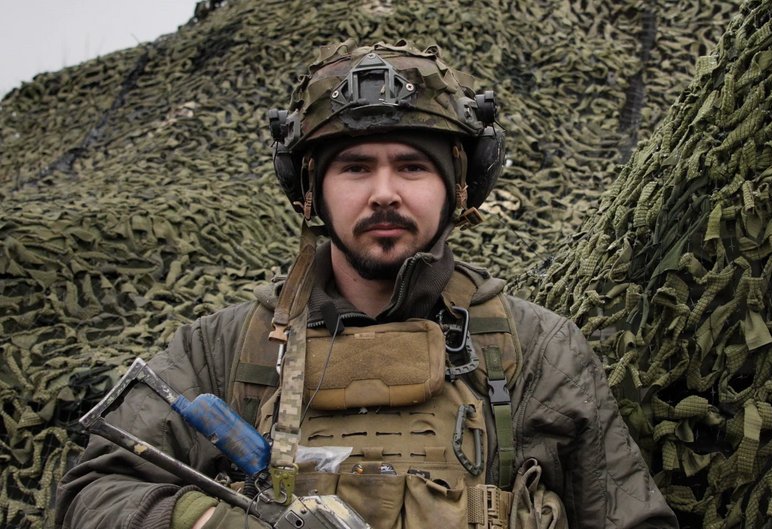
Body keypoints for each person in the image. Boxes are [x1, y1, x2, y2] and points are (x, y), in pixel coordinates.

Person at [55, 39, 679, 529]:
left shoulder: (535, 349)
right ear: (312, 191)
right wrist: (210, 520)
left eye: (411, 166)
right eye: (355, 168)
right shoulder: (224, 350)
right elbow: (93, 495)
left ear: (457, 188)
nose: (384, 193)